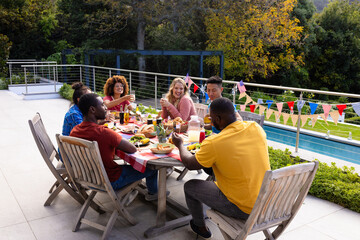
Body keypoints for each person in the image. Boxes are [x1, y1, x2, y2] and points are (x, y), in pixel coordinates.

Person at [171, 97, 270, 239]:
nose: (210, 122)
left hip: (244, 208)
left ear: (218, 118)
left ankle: (200, 226)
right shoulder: (256, 128)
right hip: (266, 200)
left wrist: (179, 144)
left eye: (211, 118)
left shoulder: (215, 142)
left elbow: (190, 164)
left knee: (190, 186)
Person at [70, 93, 160, 201]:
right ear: (92, 110)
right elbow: (132, 149)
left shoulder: (75, 130)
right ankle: (153, 194)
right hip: (111, 180)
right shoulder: (103, 133)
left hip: (89, 177)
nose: (105, 108)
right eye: (102, 105)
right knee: (152, 168)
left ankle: (130, 193)